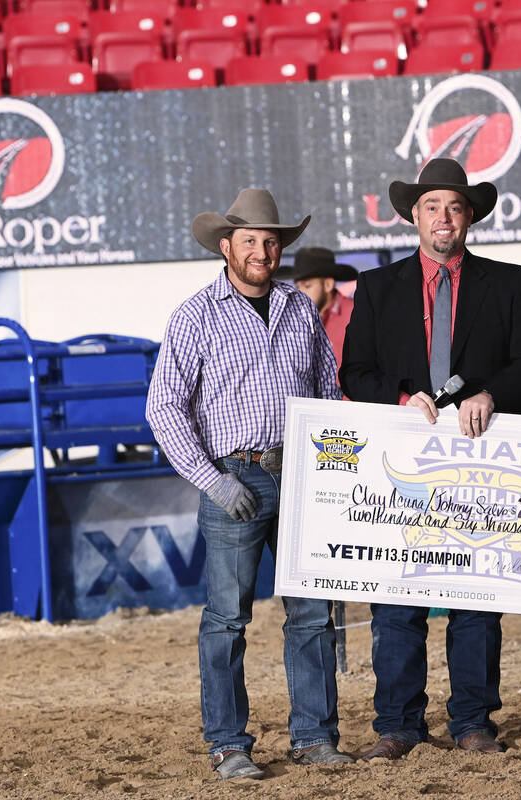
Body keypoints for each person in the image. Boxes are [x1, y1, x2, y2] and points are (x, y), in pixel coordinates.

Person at [339, 158, 521, 760]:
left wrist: (492, 394)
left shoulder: (509, 284)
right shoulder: (379, 288)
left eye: (455, 207)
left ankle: (472, 722)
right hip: (402, 466)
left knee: (476, 600)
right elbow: (353, 370)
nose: (443, 217)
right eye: (432, 206)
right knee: (397, 602)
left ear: (470, 218)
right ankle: (398, 725)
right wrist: (401, 397)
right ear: (414, 216)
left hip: (482, 464)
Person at [145, 189, 352, 781]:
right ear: (226, 247)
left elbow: (327, 391)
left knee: (312, 613)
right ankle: (228, 744)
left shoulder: (299, 308)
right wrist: (212, 481)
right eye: (251, 241)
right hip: (235, 474)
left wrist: (332, 464)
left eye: (271, 240)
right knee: (227, 620)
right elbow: (164, 408)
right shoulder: (195, 315)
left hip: (301, 473)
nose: (262, 250)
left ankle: (314, 737)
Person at [276, 246, 359, 368]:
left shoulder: (357, 314)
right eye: (298, 287)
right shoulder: (292, 318)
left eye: (307, 286)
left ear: (328, 285)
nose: (300, 293)